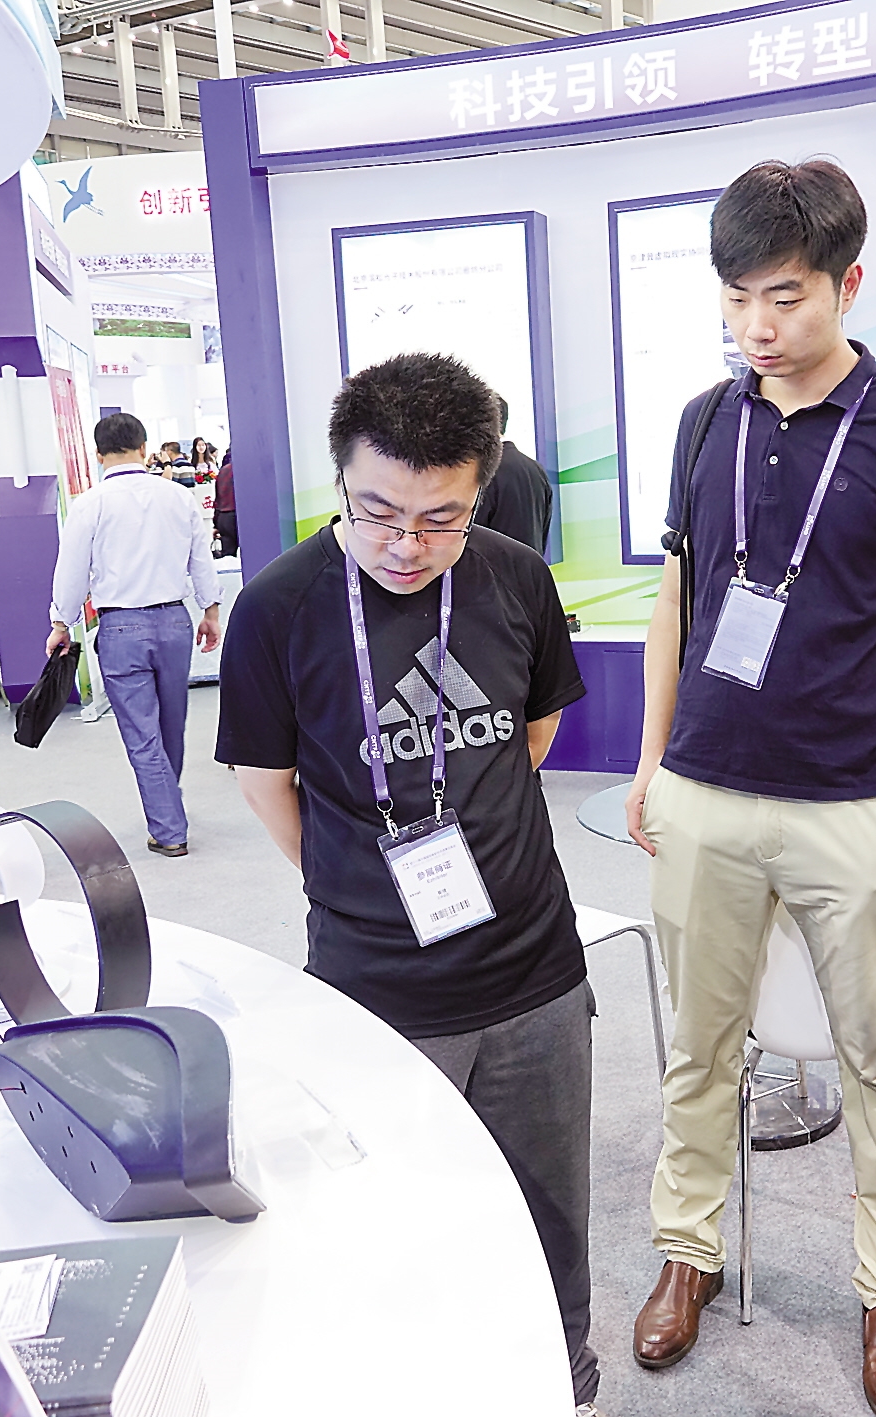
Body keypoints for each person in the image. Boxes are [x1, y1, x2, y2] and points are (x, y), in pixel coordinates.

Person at [622, 158, 876, 1416]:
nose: (755, 327)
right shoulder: (703, 419)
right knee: (695, 1051)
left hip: (849, 806)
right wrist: (653, 758)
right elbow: (676, 600)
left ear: (846, 283)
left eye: (782, 297)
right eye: (735, 299)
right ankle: (687, 1253)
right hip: (705, 791)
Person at [217, 352, 598, 1415]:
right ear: (340, 479)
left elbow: (530, 735)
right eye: (378, 512)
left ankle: (566, 1387)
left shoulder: (514, 578)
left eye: (441, 519)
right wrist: (350, 881)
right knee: (394, 1226)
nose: (405, 544)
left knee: (549, 1223)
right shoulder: (279, 607)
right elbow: (265, 780)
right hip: (372, 985)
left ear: (481, 491)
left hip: (533, 972)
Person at [46, 412, 223, 857]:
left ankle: (169, 828)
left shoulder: (90, 504)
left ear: (98, 454)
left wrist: (61, 623)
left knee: (143, 733)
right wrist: (211, 610)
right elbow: (200, 558)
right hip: (174, 621)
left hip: (121, 626)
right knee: (172, 725)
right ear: (144, 449)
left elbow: (71, 571)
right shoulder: (177, 497)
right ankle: (168, 809)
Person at [475, 394, 554, 555]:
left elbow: (472, 536)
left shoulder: (485, 471)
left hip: (492, 569)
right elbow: (543, 530)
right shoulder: (536, 470)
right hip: (531, 567)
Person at [212, 446, 238, 558]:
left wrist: (216, 523)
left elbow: (218, 498)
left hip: (224, 516)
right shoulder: (244, 470)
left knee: (228, 557)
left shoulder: (223, 471)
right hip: (238, 516)